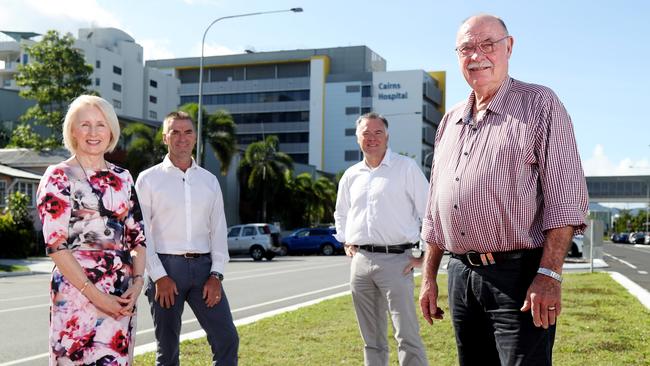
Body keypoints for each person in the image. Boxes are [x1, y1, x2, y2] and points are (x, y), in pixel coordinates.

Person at [418, 14, 589, 366]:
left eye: (487, 45)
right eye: (467, 47)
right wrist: (429, 277)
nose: (476, 55)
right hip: (462, 276)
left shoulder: (540, 105)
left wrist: (549, 274)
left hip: (520, 279)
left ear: (508, 47)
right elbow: (436, 209)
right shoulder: (449, 122)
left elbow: (565, 200)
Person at [36, 95, 146, 365]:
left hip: (121, 298)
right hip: (77, 296)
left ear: (111, 130)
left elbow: (138, 238)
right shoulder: (58, 176)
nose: (94, 133)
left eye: (101, 124)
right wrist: (96, 296)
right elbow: (56, 246)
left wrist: (139, 281)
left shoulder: (123, 177)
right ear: (72, 130)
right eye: (85, 124)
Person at [135, 111, 238, 366]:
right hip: (166, 271)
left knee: (227, 339)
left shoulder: (209, 181)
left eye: (188, 132)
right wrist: (159, 276)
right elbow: (142, 233)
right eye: (175, 132)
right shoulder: (148, 180)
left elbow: (218, 230)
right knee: (167, 350)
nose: (182, 138)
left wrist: (216, 275)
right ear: (164, 138)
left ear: (195, 138)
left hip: (205, 271)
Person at [334, 112, 430, 366]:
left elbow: (429, 213)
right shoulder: (351, 175)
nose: (372, 138)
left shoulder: (405, 168)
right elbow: (341, 212)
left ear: (387, 137)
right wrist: (345, 240)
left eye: (378, 133)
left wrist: (426, 255)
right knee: (371, 339)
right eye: (366, 133)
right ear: (358, 139)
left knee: (406, 335)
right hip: (361, 261)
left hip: (398, 260)